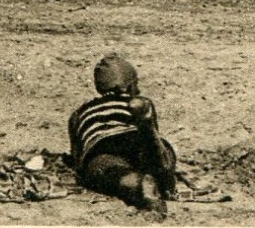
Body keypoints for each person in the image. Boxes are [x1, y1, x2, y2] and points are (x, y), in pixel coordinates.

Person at [67, 54, 179, 217]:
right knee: (154, 152)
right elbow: (157, 129)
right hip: (136, 136)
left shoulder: (79, 113)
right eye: (136, 84)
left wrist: (85, 169)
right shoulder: (140, 101)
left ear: (99, 87)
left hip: (103, 144)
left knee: (111, 171)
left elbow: (77, 156)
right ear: (129, 87)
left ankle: (136, 183)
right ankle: (157, 160)